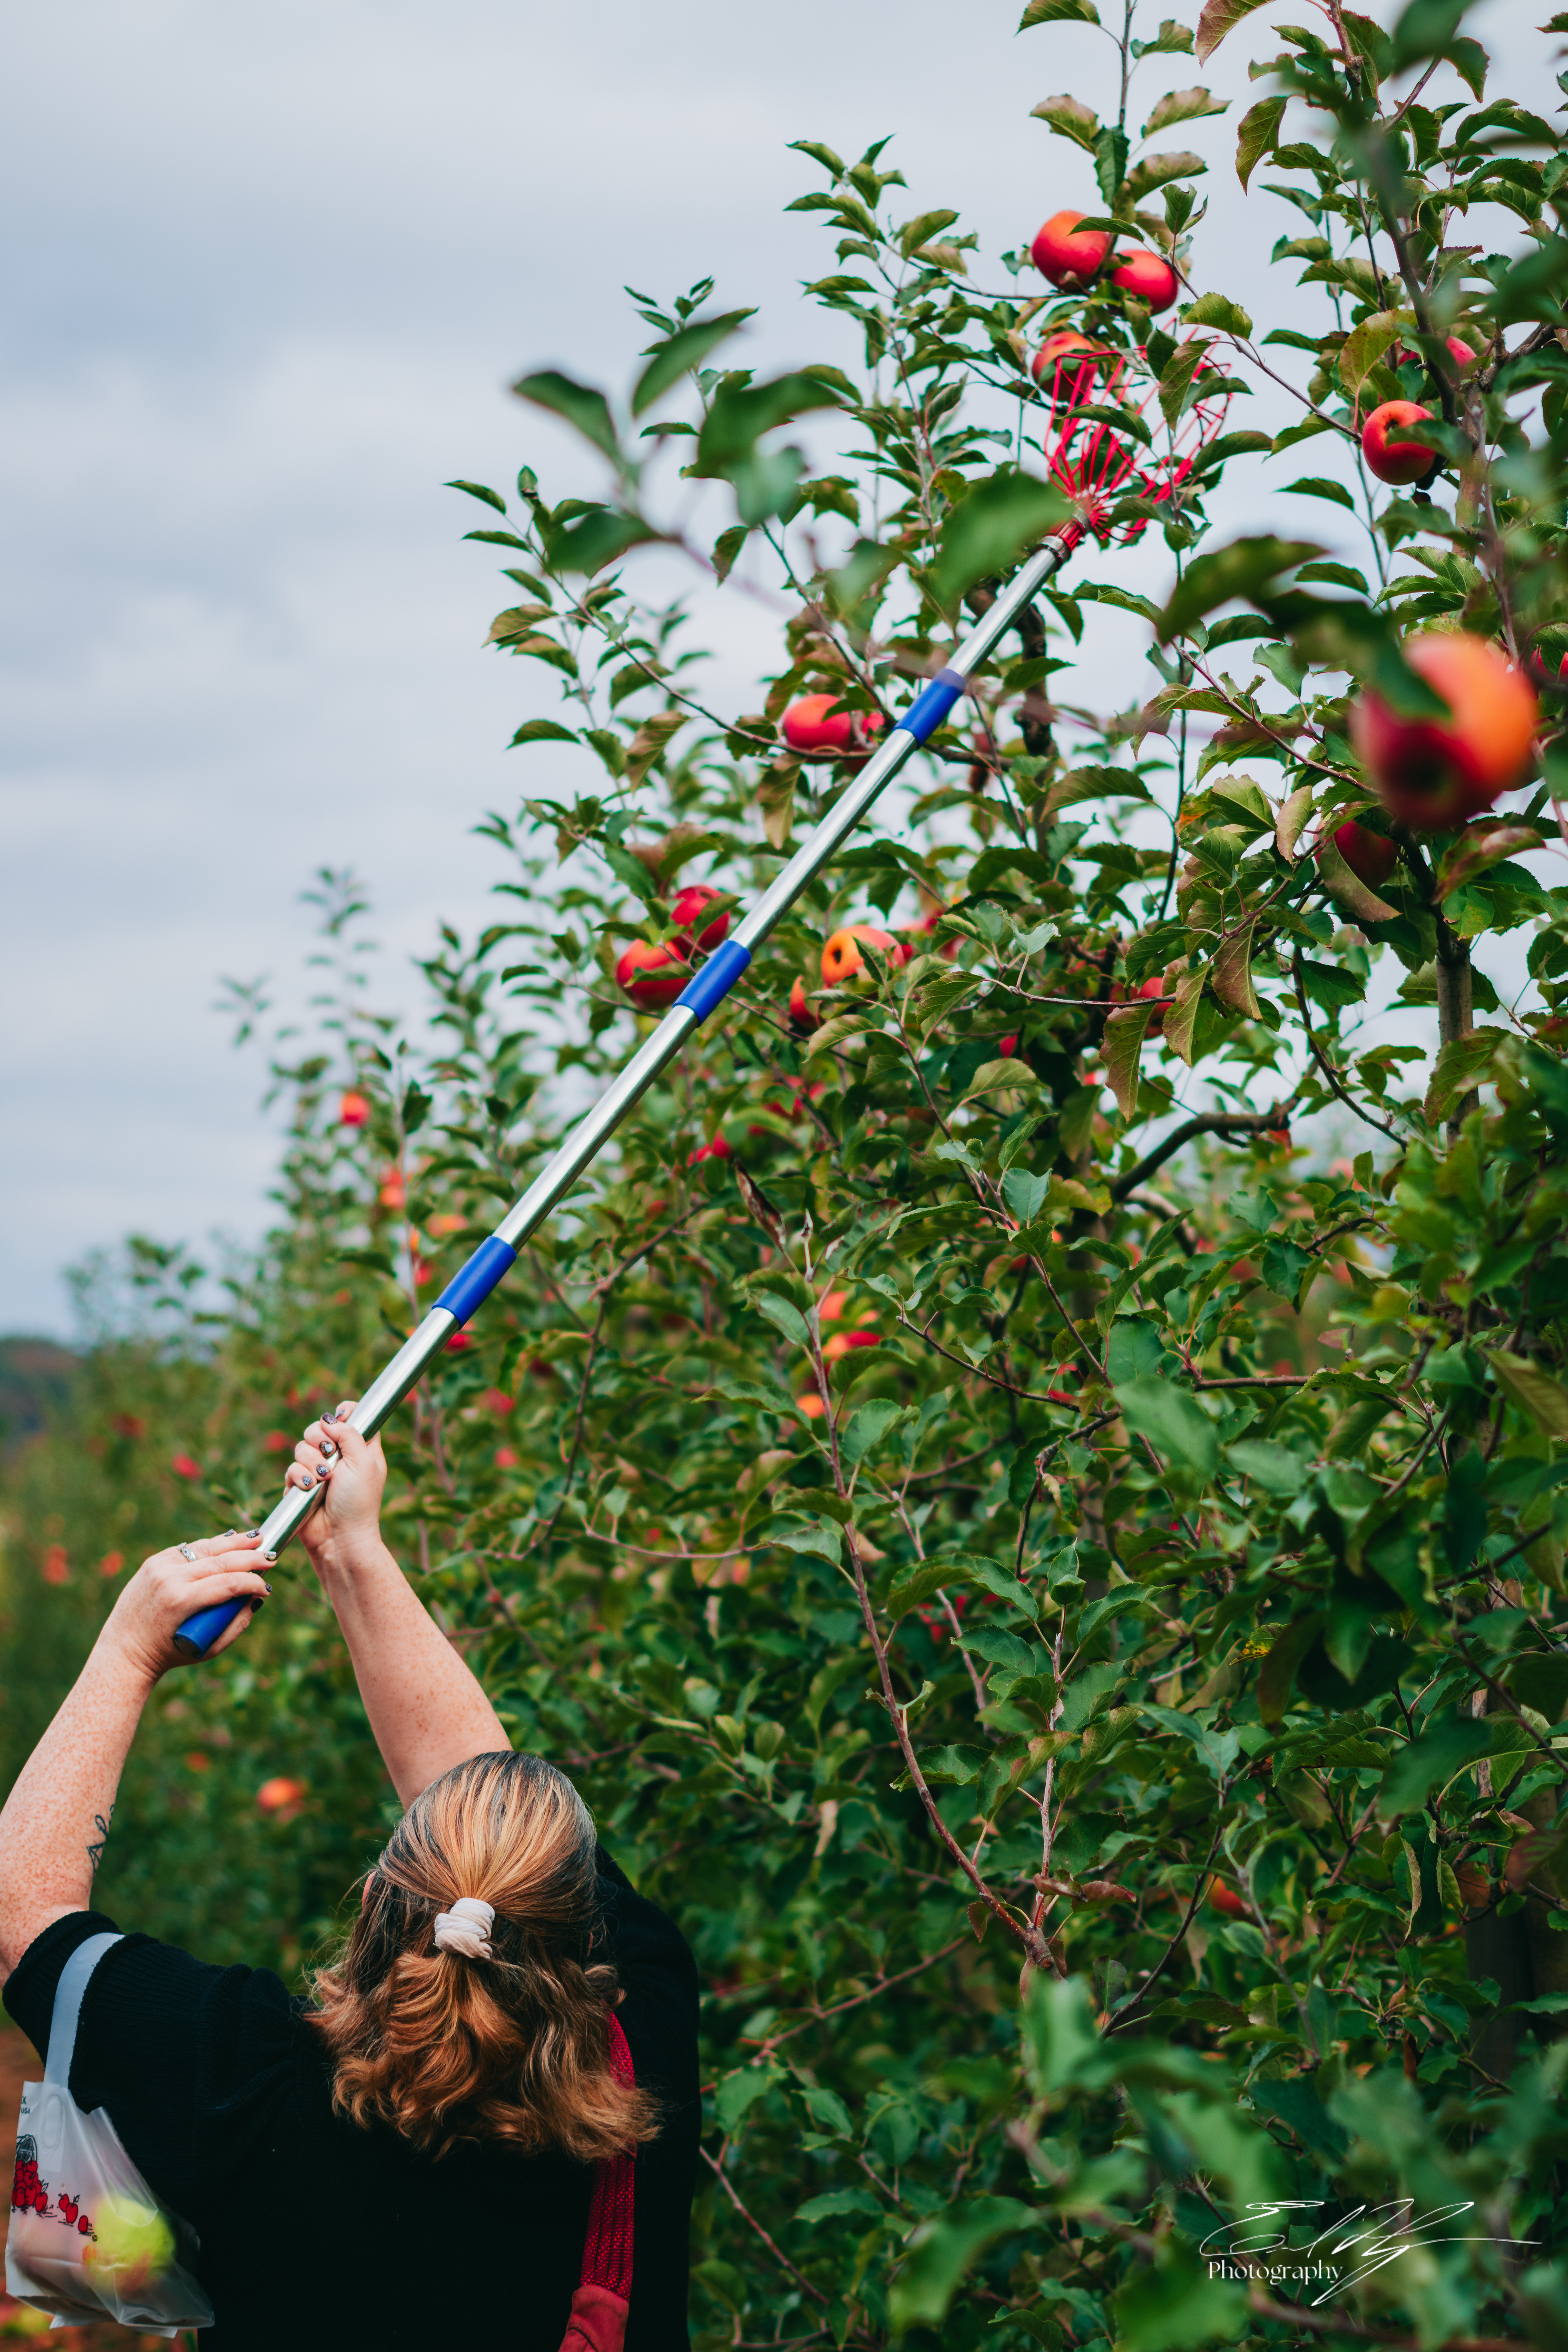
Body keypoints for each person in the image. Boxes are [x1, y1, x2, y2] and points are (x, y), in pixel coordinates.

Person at [0, 1402, 700, 2350]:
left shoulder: (249, 2091)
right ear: (579, 1923)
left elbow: (20, 1913)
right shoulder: (640, 2061)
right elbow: (478, 1813)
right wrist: (351, 1550)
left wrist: (127, 1651)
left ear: (374, 1902)